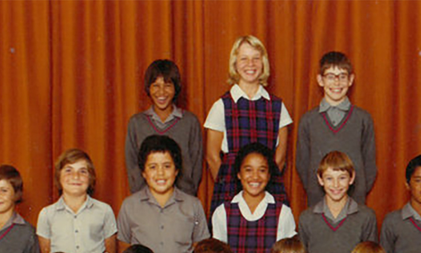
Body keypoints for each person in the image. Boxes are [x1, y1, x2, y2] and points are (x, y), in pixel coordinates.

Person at [117, 134, 211, 253]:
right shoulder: (130, 206)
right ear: (144, 172)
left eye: (167, 166)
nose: (160, 173)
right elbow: (124, 251)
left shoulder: (192, 205)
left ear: (176, 170)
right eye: (153, 167)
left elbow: (200, 249)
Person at [205, 34, 293, 210]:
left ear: (263, 63)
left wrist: (261, 183)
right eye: (244, 59)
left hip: (268, 188)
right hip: (231, 189)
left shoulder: (277, 106)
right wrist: (229, 186)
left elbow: (280, 158)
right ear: (235, 64)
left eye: (256, 58)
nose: (250, 64)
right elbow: (212, 156)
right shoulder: (222, 105)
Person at [210, 142, 297, 253]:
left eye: (262, 170)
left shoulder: (282, 212)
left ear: (269, 175)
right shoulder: (223, 212)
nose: (255, 177)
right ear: (238, 174)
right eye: (248, 170)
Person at [294, 51, 377, 208]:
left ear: (351, 80)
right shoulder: (308, 120)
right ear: (320, 80)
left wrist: (358, 191)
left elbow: (369, 164)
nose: (337, 83)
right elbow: (302, 163)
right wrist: (316, 189)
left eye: (342, 76)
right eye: (331, 76)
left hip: (354, 203)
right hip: (318, 202)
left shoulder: (363, 119)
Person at [36, 149, 117, 253]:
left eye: (82, 171)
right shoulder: (47, 214)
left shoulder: (104, 211)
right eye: (68, 171)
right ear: (59, 177)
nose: (75, 177)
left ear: (91, 178)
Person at [297, 151, 378, 253]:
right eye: (329, 178)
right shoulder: (307, 218)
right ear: (320, 179)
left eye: (342, 178)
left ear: (351, 178)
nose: (335, 185)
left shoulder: (366, 217)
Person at [125, 60, 203, 197]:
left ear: (175, 88)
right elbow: (132, 166)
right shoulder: (136, 123)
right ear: (148, 88)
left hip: (182, 201)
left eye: (167, 86)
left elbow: (196, 166)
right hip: (146, 201)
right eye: (156, 86)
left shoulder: (190, 122)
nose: (161, 92)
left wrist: (186, 197)